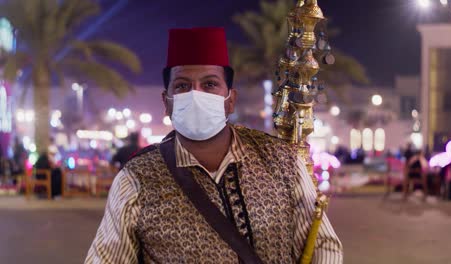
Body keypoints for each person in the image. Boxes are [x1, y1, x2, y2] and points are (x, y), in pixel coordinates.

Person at [86, 27, 342, 263]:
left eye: (209, 84)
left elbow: (324, 246)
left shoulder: (280, 160)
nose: (196, 95)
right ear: (167, 102)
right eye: (182, 86)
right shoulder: (136, 179)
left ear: (229, 100)